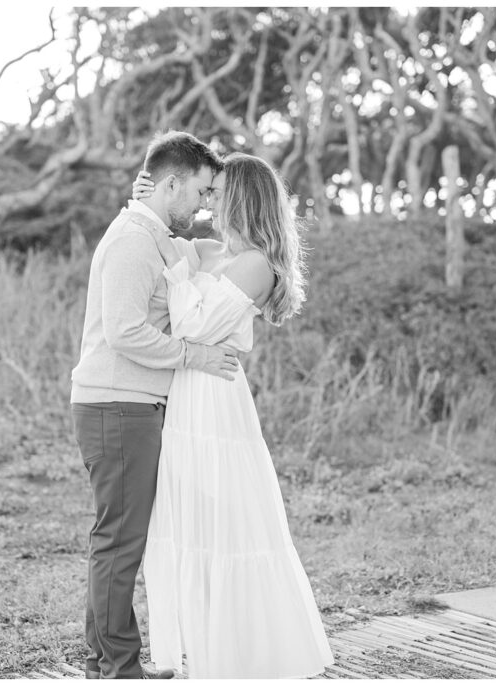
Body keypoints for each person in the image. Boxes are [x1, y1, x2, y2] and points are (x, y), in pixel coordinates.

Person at [132, 153, 335, 678]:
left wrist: (177, 273)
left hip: (215, 399)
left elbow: (193, 326)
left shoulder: (255, 264)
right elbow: (164, 242)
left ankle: (238, 654)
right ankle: (199, 647)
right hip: (187, 394)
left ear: (242, 197)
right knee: (187, 522)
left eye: (218, 191)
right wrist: (145, 204)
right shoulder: (215, 252)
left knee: (224, 524)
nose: (209, 200)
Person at [70, 131, 240, 679]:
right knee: (120, 543)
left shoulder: (155, 233)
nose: (206, 204)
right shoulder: (132, 240)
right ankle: (118, 667)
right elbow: (124, 332)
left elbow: (197, 253)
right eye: (201, 190)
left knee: (116, 541)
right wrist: (195, 354)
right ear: (171, 184)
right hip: (118, 408)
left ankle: (105, 661)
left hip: (127, 407)